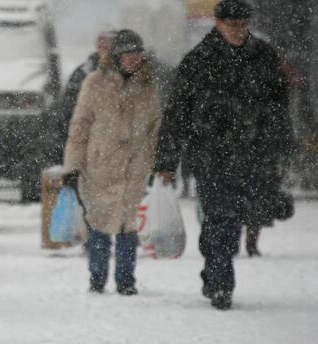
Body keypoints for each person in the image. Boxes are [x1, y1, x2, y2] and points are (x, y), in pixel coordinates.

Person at [154, 0, 295, 309]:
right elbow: (177, 113)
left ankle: (216, 270)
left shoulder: (264, 57)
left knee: (235, 221)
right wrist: (166, 162)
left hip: (252, 156)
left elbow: (279, 107)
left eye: (243, 25)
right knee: (220, 218)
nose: (238, 31)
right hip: (211, 158)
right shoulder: (197, 61)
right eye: (232, 25)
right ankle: (220, 284)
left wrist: (282, 147)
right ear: (218, 24)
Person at [62, 29, 161, 295]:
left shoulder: (148, 86)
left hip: (134, 166)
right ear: (117, 56)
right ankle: (97, 277)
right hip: (100, 165)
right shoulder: (94, 83)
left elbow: (154, 128)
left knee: (128, 224)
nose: (133, 59)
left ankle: (126, 280)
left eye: (137, 54)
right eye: (128, 54)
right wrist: (72, 166)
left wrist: (154, 164)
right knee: (99, 222)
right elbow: (80, 126)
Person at [52, 31, 116, 164]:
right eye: (101, 43)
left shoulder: (127, 76)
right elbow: (68, 110)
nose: (103, 47)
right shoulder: (82, 73)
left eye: (108, 44)